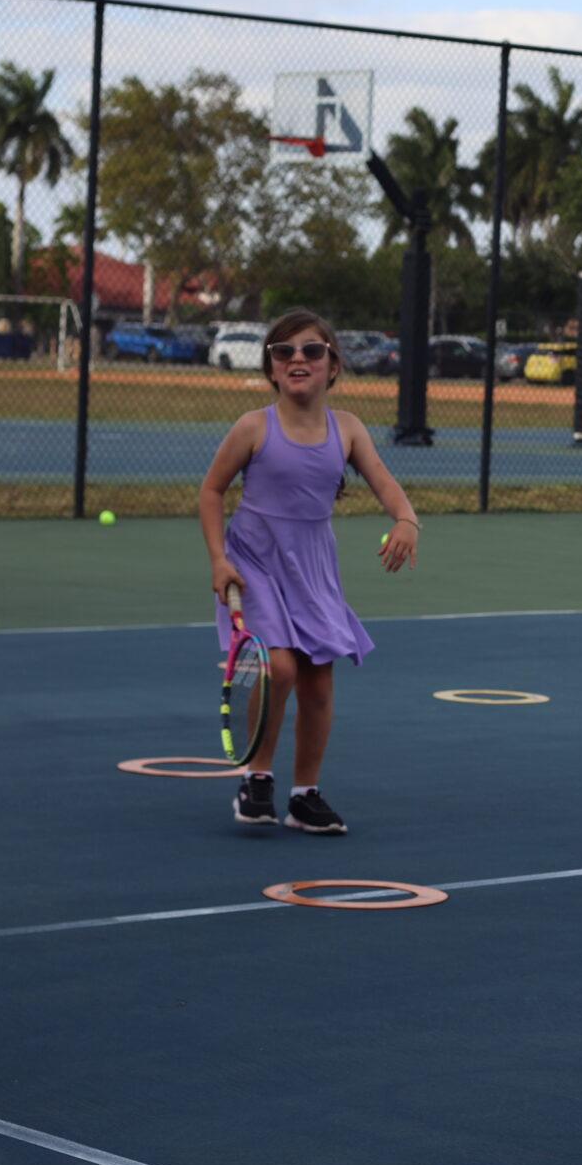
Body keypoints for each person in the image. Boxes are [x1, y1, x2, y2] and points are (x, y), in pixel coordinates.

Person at [198, 309, 419, 834]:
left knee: (318, 681)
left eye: (312, 351)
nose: (298, 358)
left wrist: (406, 519)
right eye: (284, 351)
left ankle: (304, 795)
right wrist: (219, 559)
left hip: (313, 567)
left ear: (332, 365)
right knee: (280, 668)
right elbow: (211, 491)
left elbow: (384, 481)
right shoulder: (254, 426)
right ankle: (256, 779)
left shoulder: (347, 429)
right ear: (272, 367)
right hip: (254, 561)